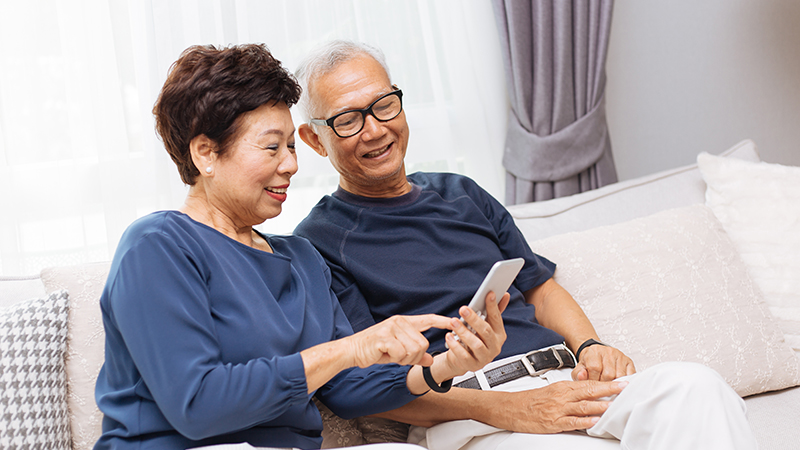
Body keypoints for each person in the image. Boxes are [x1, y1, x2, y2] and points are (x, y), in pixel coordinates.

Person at [293, 40, 758, 450]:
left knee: (697, 388)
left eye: (384, 105)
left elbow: (539, 287)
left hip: (564, 378)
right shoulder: (318, 243)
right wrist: (507, 409)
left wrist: (591, 344)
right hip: (472, 415)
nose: (375, 130)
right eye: (348, 120)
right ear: (315, 139)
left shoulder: (461, 192)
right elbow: (363, 387)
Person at [93, 43, 509, 450]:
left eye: (291, 145)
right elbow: (199, 404)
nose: (291, 163)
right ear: (206, 154)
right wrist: (349, 349)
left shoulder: (302, 260)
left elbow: (350, 387)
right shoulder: (158, 246)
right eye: (272, 146)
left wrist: (445, 366)